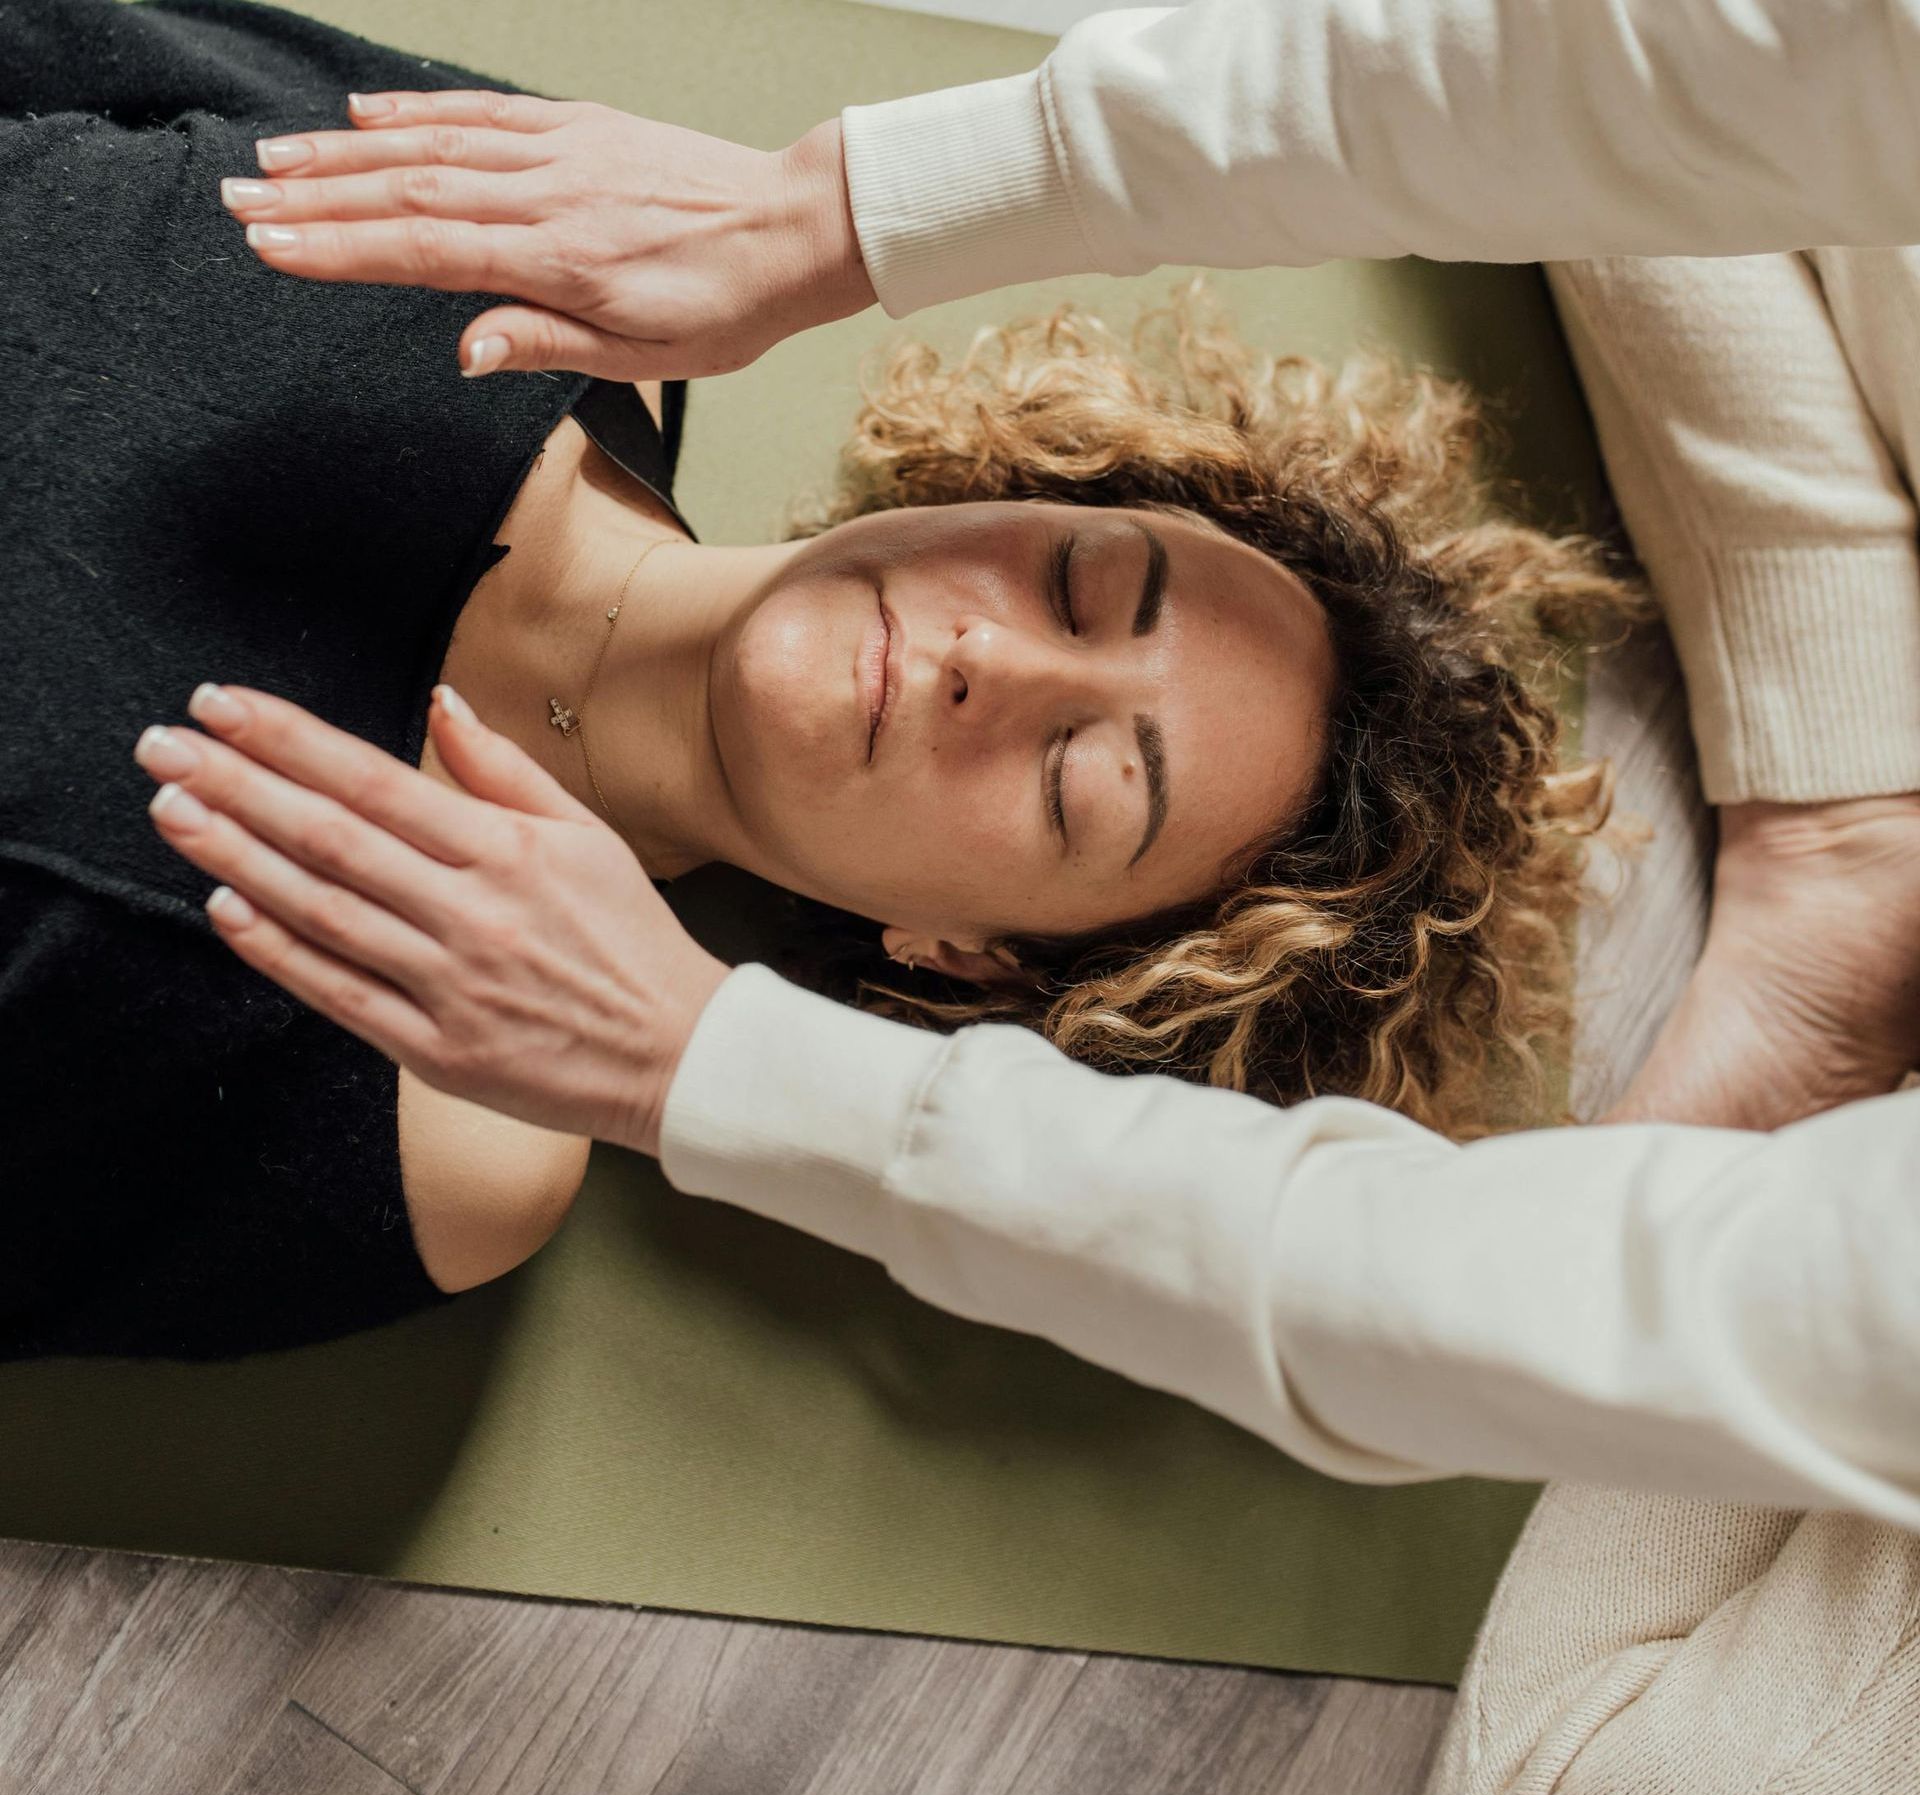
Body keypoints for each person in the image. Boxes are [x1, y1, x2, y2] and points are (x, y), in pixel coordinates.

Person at [1, 0, 1628, 1352]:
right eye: (1077, 580)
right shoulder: (559, 257)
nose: (993, 659)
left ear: (972, 961)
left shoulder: (454, 1116)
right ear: (1017, 482)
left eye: (1082, 780)